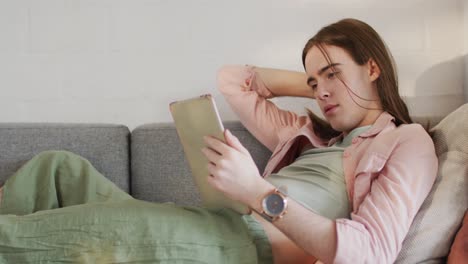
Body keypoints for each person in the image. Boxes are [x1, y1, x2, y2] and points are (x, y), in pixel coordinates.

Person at [0, 18, 437, 264]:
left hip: (247, 245)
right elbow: (235, 81)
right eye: (314, 79)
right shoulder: (308, 136)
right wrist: (319, 85)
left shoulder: (407, 141)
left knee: (69, 235)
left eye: (334, 73)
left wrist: (258, 192)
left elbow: (372, 253)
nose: (321, 90)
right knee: (57, 167)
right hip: (213, 225)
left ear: (373, 68)